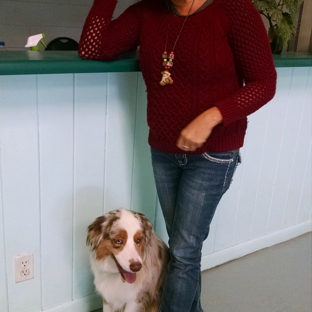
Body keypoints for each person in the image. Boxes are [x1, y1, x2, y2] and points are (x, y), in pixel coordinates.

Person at [79, 0, 277, 310]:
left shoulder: (234, 9)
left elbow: (264, 83)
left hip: (215, 152)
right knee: (185, 249)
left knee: (184, 252)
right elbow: (93, 48)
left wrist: (212, 116)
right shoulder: (147, 11)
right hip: (164, 150)